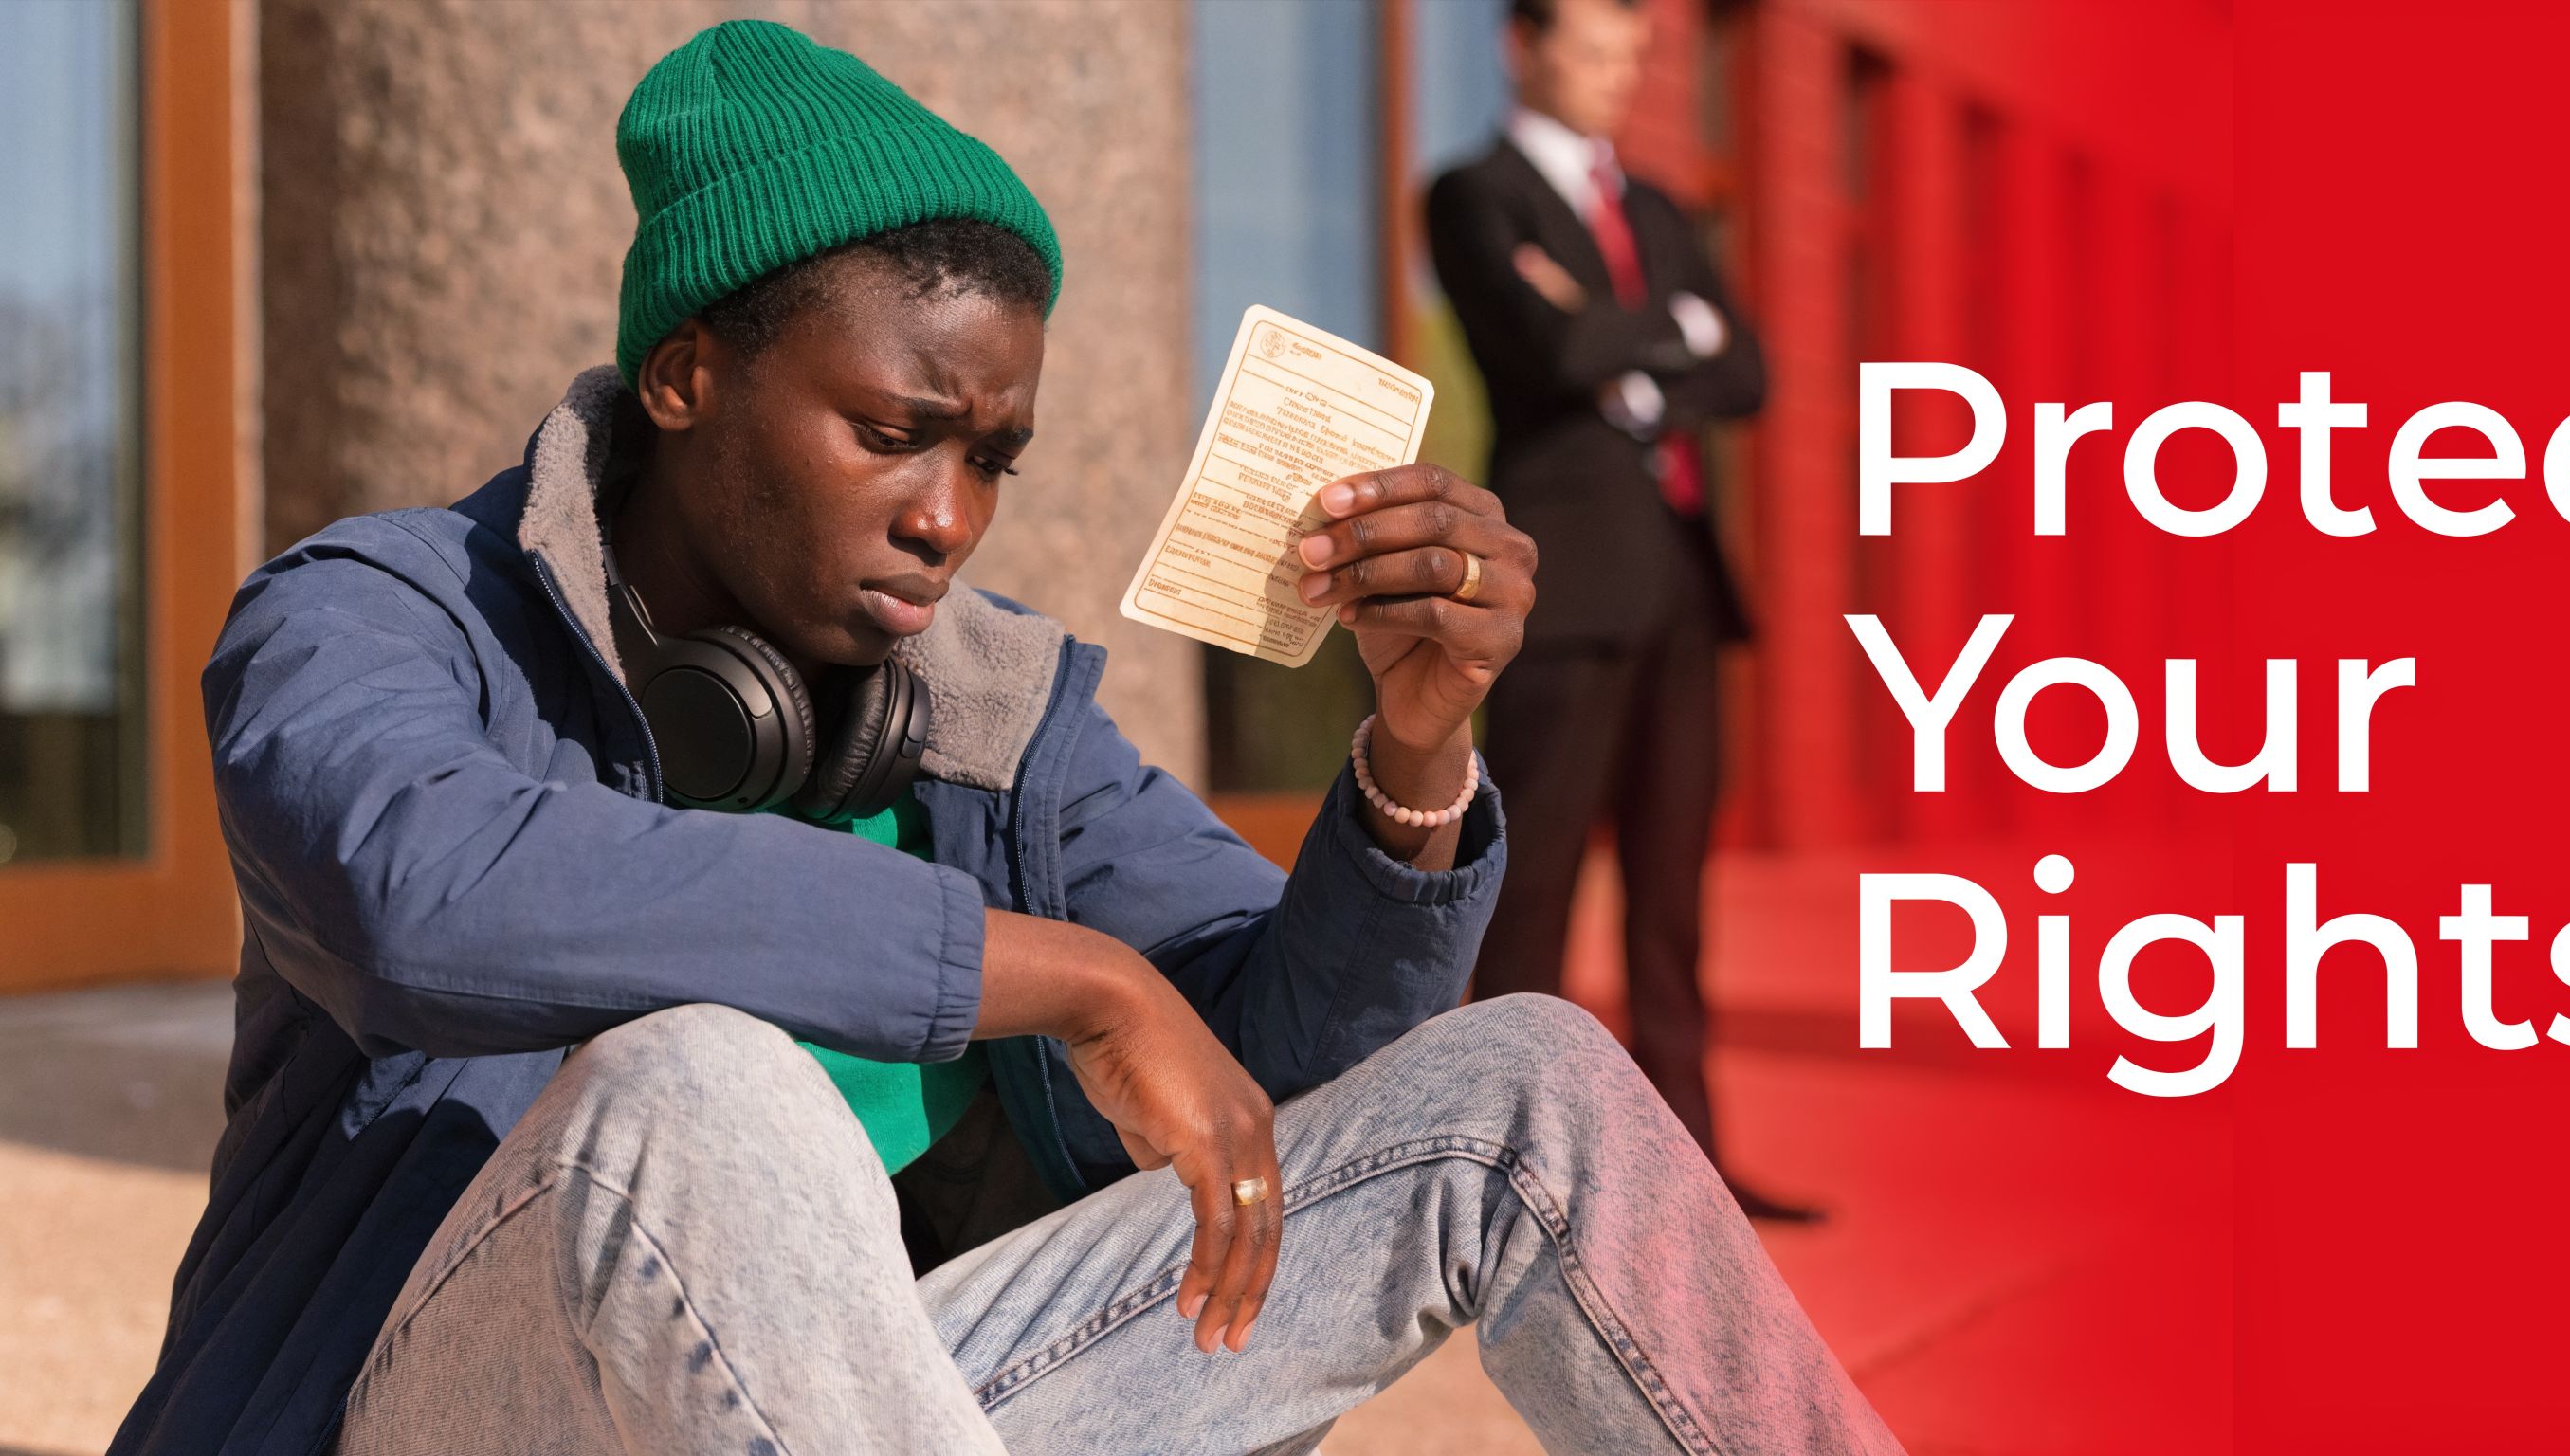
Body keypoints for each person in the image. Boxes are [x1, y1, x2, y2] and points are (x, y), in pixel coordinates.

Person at [111, 20, 1898, 1456]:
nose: (949, 516)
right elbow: (418, 893)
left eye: (992, 457)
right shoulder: (383, 615)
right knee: (711, 1084)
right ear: (686, 377)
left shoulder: (983, 714)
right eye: (895, 430)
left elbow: (1286, 1067)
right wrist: (1061, 979)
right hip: (440, 1405)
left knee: (1533, 1083)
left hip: (877, 1409)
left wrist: (1415, 759)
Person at [1427, 0, 1816, 1223]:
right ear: (1523, 47)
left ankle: (1688, 1171)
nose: (1619, 74)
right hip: (1562, 581)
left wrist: (1624, 344)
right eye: (1595, 50)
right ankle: (1497, 1174)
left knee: (1671, 894)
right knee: (1531, 881)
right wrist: (1668, 334)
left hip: (1682, 587)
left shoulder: (1656, 208)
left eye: (1631, 53)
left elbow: (1745, 366)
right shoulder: (1473, 194)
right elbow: (1547, 354)